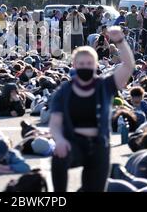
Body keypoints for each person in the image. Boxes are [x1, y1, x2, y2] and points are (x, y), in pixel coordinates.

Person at [49, 26, 135, 192]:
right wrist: (59, 140)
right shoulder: (64, 91)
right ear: (74, 65)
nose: (85, 66)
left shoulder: (105, 85)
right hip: (73, 142)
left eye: (89, 63)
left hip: (99, 145)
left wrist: (120, 41)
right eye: (81, 63)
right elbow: (55, 122)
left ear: (96, 65)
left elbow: (128, 66)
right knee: (58, 157)